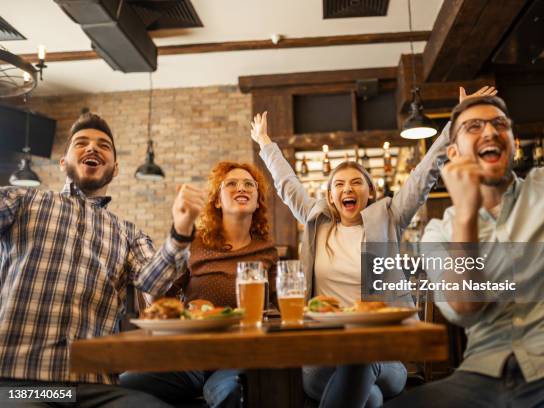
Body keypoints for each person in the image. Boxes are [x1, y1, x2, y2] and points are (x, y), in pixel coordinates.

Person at [386, 1, 544, 407]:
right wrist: (467, 215)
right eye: (474, 126)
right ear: (453, 153)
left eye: (500, 125)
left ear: (511, 142)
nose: (490, 130)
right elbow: (465, 307)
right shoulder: (441, 231)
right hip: (483, 376)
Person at [249, 87, 496, 408]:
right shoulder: (315, 221)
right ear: (329, 195)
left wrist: (457, 123)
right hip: (322, 356)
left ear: (371, 191)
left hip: (386, 354)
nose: (346, 189)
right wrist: (265, 143)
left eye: (355, 183)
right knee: (371, 397)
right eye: (338, 184)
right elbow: (286, 183)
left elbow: (425, 174)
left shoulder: (389, 216)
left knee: (362, 359)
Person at [0, 112, 206, 407]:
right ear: (63, 163)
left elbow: (155, 283)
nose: (93, 148)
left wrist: (182, 230)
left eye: (104, 146)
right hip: (22, 384)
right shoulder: (23, 202)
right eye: (81, 143)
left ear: (115, 168)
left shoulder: (128, 233)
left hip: (93, 386)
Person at [120, 161, 278, 408]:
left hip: (237, 356)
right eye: (232, 183)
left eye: (249, 184)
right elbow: (158, 297)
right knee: (121, 385)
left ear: (258, 201)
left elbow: (277, 308)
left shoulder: (267, 249)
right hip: (187, 355)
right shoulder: (194, 244)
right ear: (216, 200)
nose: (242, 188)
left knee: (231, 392)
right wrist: (182, 311)